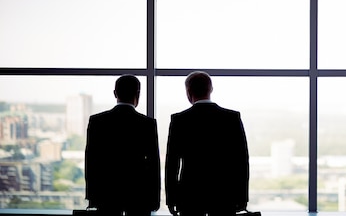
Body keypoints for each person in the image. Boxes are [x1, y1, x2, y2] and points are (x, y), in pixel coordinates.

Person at [165, 71, 250, 216]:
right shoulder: (231, 118)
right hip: (224, 195)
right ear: (211, 89)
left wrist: (171, 199)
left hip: (190, 195)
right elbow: (241, 161)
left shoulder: (179, 120)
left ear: (188, 91)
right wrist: (242, 197)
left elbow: (172, 164)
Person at [84, 74, 161, 216]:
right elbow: (153, 165)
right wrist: (155, 200)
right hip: (138, 195)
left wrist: (92, 196)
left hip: (106, 194)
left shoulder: (97, 121)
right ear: (138, 94)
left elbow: (91, 161)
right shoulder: (147, 124)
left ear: (115, 93)